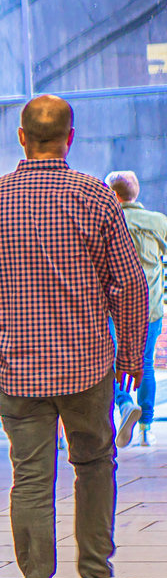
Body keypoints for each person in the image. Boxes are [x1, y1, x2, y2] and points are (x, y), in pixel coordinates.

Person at [0, 96, 147, 578]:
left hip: (15, 369)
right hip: (87, 366)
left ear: (21, 137)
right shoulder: (95, 197)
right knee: (93, 463)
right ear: (71, 136)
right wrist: (130, 352)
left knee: (31, 479)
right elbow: (129, 281)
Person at [109, 170, 167, 448]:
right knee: (145, 364)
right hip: (150, 307)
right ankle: (146, 427)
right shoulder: (157, 221)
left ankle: (125, 405)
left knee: (113, 363)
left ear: (114, 194)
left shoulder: (106, 221)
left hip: (113, 308)